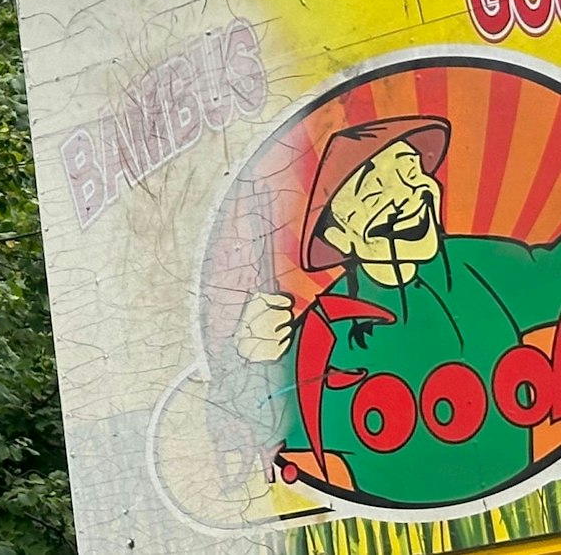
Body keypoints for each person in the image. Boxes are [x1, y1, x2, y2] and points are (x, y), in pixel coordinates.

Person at [233, 115, 561, 506]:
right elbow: (244, 452)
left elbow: (550, 274)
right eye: (374, 193)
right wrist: (246, 362)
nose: (410, 196)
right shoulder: (321, 336)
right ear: (338, 235)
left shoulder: (479, 264)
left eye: (411, 172)